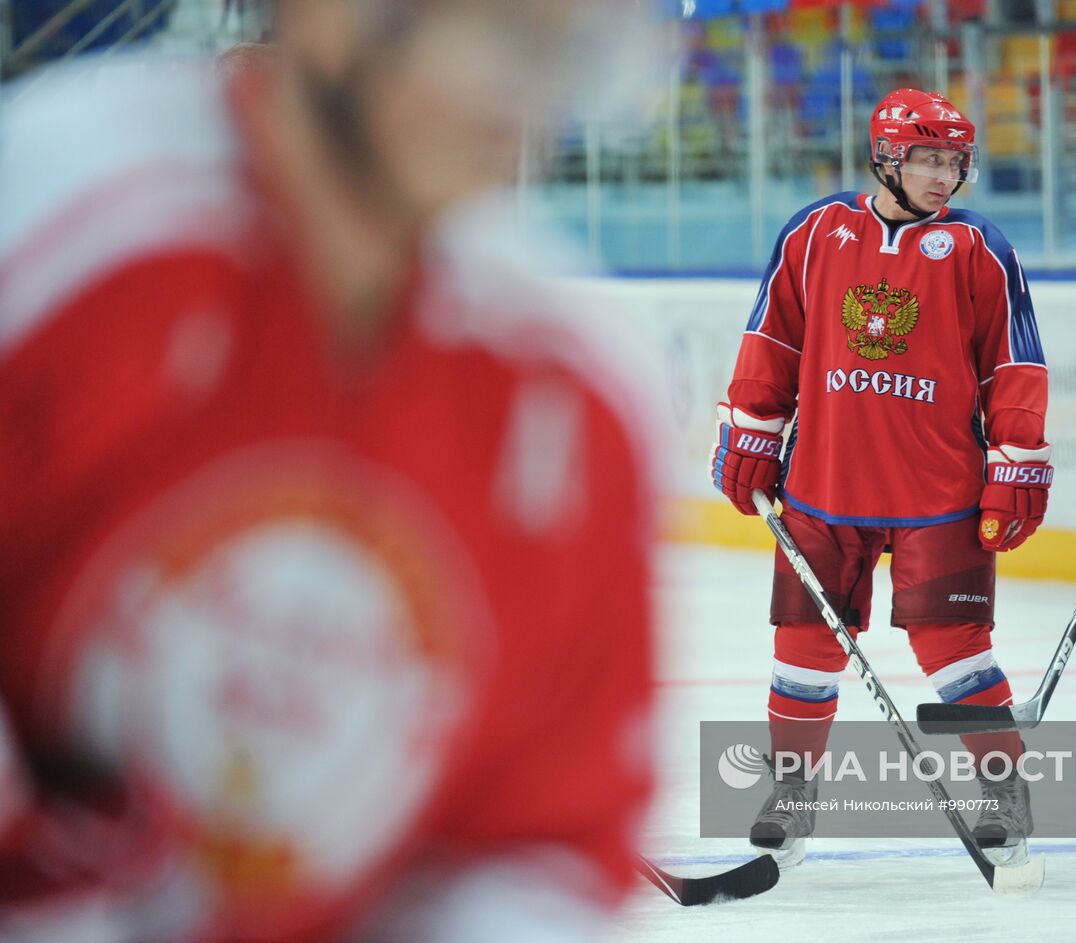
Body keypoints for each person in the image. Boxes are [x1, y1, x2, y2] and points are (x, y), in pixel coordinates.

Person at [0, 2, 657, 939]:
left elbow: (545, 841)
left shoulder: (569, 401)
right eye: (496, 34)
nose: (528, 102)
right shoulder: (60, 218)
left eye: (563, 53)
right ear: (326, 19)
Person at [710, 88, 1052, 868]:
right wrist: (753, 428)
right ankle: (793, 790)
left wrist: (1016, 461)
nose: (944, 175)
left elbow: (1015, 364)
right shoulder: (815, 232)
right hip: (824, 486)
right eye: (927, 158)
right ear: (886, 159)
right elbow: (772, 340)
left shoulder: (979, 246)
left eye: (955, 161)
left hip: (940, 492)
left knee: (957, 651)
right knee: (801, 649)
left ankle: (1005, 790)